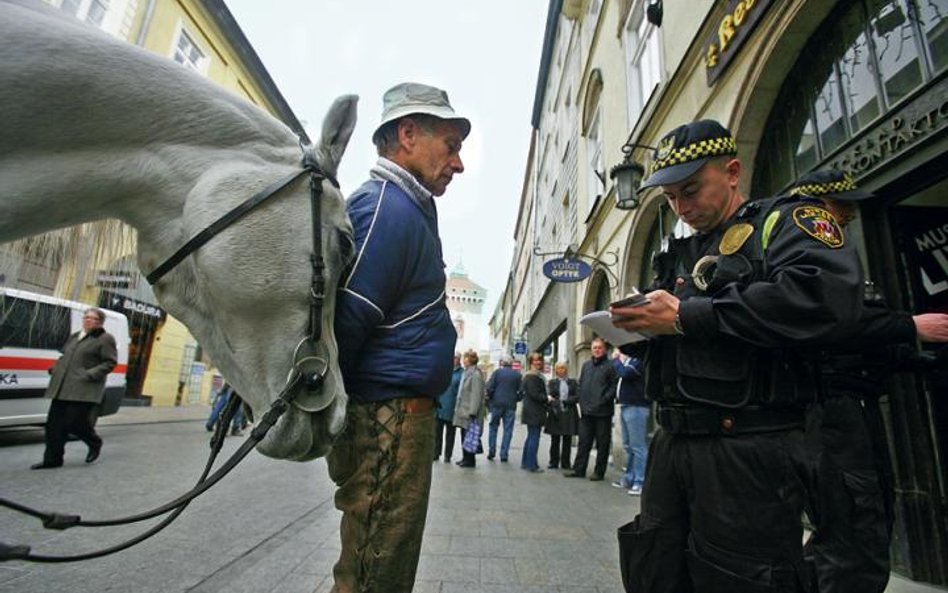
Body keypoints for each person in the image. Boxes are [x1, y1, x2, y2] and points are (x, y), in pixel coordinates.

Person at [609, 119, 865, 592]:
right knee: (656, 568)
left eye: (691, 190)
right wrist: (643, 329)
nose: (682, 208)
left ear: (731, 171)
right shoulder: (678, 253)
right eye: (670, 199)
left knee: (741, 576)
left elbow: (827, 301)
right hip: (674, 442)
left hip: (747, 446)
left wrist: (688, 317)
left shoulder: (785, 223)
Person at [330, 81, 469, 593]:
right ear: (408, 134)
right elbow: (348, 322)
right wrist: (347, 428)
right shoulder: (387, 207)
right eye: (451, 147)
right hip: (386, 418)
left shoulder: (404, 205)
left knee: (381, 564)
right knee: (374, 571)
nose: (458, 164)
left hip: (394, 413)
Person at [787, 170, 948, 593]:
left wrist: (918, 357)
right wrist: (908, 325)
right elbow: (831, 324)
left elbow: (862, 338)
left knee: (859, 525)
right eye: (843, 207)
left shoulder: (836, 254)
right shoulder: (806, 253)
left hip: (853, 406)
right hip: (831, 409)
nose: (851, 216)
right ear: (816, 209)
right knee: (854, 533)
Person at [31, 307, 117, 469]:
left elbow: (110, 362)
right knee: (53, 425)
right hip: (62, 387)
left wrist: (89, 374)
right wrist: (56, 368)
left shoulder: (105, 339)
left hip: (84, 389)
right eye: (86, 317)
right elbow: (65, 356)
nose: (88, 320)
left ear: (100, 323)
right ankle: (52, 460)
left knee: (74, 422)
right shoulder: (75, 336)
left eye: (93, 319)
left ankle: (94, 442)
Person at [565, 337, 617, 482]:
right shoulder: (586, 365)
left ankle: (599, 472)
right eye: (594, 348)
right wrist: (581, 400)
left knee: (602, 443)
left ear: (604, 349)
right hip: (586, 411)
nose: (597, 350)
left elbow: (613, 387)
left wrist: (603, 400)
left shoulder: (610, 366)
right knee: (584, 441)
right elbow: (581, 384)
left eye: (599, 347)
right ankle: (579, 469)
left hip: (602, 412)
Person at [611, 347, 648, 496]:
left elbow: (625, 373)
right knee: (629, 445)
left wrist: (616, 359)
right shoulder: (629, 360)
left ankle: (640, 481)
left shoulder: (639, 360)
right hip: (626, 405)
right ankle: (629, 477)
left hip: (637, 406)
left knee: (638, 446)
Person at [453, 350, 487, 468]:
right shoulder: (467, 372)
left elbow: (476, 395)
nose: (464, 360)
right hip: (464, 410)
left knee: (470, 436)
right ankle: (465, 458)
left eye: (466, 358)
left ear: (471, 360)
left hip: (470, 411)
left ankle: (469, 460)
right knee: (465, 435)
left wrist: (472, 412)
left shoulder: (475, 375)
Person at [484, 355, 522, 462]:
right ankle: (504, 454)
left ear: (502, 363)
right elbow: (521, 391)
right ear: (511, 363)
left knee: (493, 427)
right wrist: (516, 399)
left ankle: (492, 451)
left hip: (497, 403)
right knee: (508, 430)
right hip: (510, 405)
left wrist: (491, 399)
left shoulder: (497, 373)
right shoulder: (517, 375)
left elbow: (489, 388)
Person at [545, 361, 579, 469]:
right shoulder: (552, 382)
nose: (561, 370)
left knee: (567, 439)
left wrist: (565, 401)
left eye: (563, 368)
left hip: (569, 412)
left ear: (566, 369)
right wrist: (555, 401)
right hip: (556, 413)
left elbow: (577, 396)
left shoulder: (573, 382)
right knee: (555, 439)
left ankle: (566, 463)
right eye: (559, 368)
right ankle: (553, 462)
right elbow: (550, 397)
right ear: (555, 370)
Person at [519, 352, 548, 473]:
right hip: (534, 410)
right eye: (535, 360)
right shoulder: (533, 377)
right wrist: (547, 398)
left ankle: (526, 462)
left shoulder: (530, 376)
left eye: (539, 360)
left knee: (531, 436)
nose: (538, 362)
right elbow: (535, 394)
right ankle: (532, 464)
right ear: (531, 362)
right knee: (534, 437)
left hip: (530, 410)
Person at [434, 352, 463, 463]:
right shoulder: (444, 370)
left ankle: (447, 455)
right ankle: (436, 453)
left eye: (456, 358)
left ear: (459, 360)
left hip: (452, 408)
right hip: (441, 407)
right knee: (438, 432)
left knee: (450, 434)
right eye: (452, 358)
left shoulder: (461, 373)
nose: (454, 360)